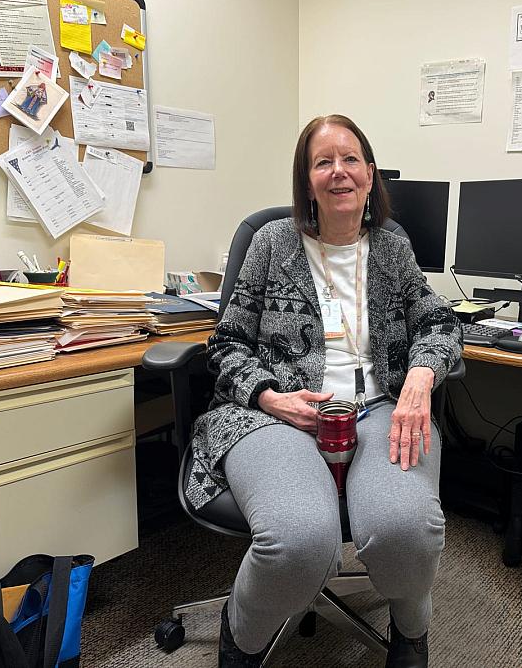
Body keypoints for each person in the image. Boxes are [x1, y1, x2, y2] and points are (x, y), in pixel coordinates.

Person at [188, 114, 462, 668]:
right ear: (306, 180)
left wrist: (419, 379)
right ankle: (239, 634)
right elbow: (225, 344)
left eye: (350, 159)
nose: (339, 172)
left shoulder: (390, 248)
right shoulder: (271, 244)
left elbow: (440, 323)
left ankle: (411, 633)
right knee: (297, 541)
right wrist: (269, 396)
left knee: (406, 529)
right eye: (323, 162)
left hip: (379, 406)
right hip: (278, 414)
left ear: (369, 173)